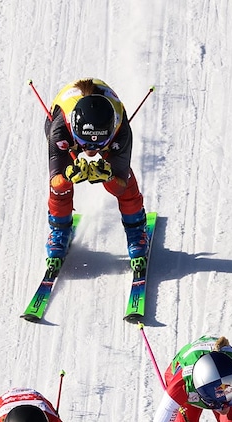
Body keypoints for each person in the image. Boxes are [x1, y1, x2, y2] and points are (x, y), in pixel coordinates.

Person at [44, 78, 149, 276]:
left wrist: (108, 177)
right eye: (85, 144)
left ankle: (136, 232)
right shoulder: (59, 130)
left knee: (125, 181)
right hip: (64, 122)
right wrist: (67, 177)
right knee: (63, 182)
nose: (91, 151)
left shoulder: (121, 129)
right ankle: (59, 231)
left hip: (104, 131)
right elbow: (55, 181)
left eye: (99, 145)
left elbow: (120, 184)